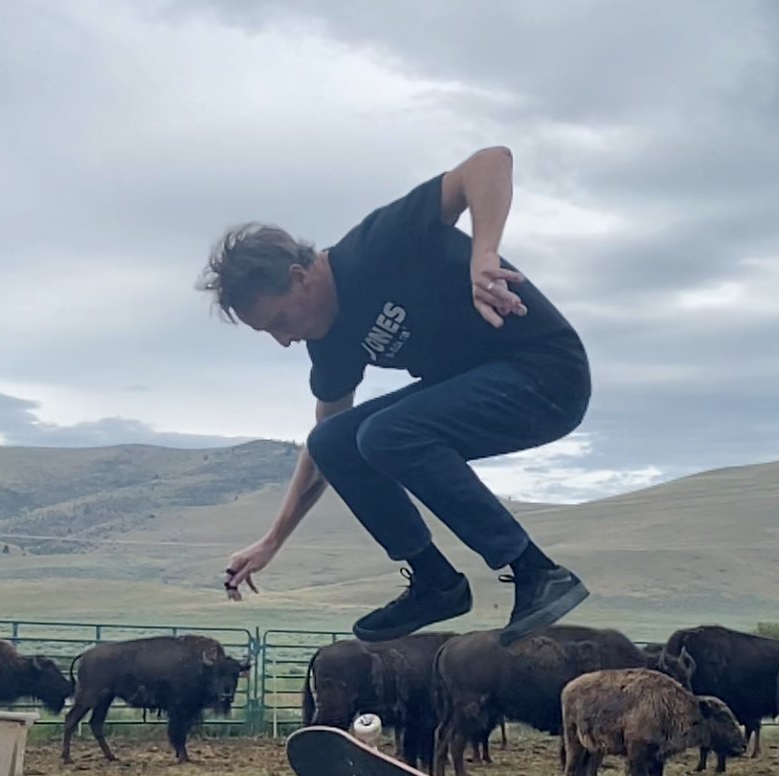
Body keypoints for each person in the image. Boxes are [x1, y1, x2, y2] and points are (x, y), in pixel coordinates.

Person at [198, 146, 591, 646]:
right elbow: (323, 448)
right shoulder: (330, 339)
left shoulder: (375, 247)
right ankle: (435, 582)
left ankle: (539, 573)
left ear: (299, 278)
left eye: (279, 321)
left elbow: (489, 162)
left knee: (386, 433)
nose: (284, 339)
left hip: (547, 374)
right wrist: (273, 540)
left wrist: (484, 255)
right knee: (336, 440)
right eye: (268, 333)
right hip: (483, 386)